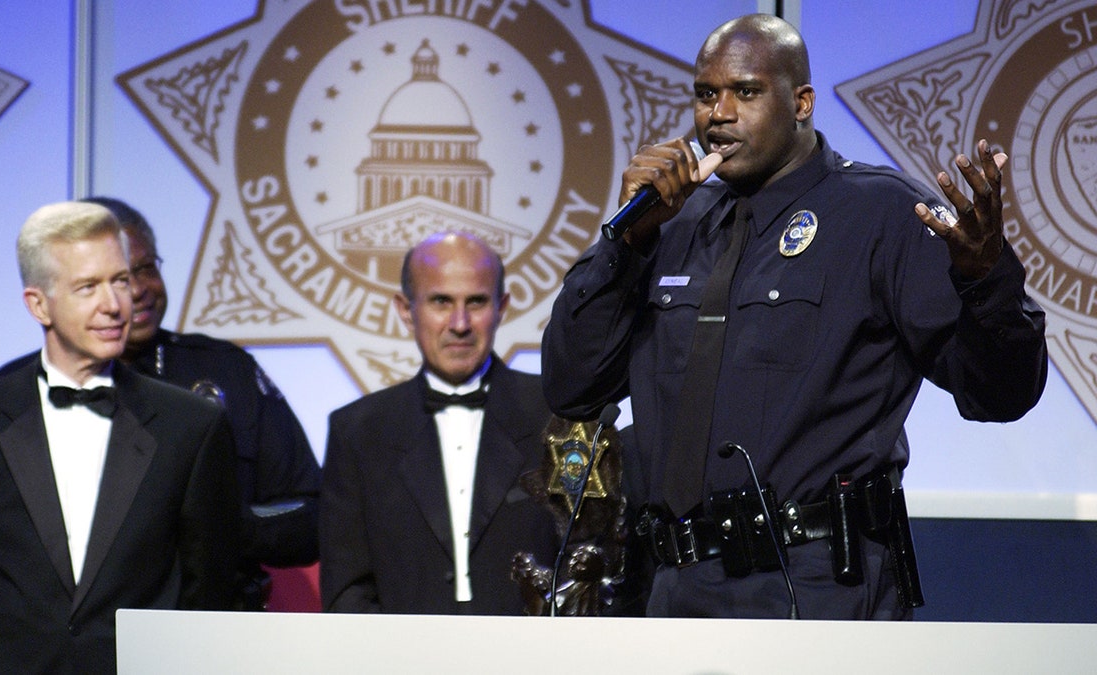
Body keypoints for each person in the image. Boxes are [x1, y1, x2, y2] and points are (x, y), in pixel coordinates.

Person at [541, 14, 1048, 620]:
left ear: (802, 101)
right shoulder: (669, 225)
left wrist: (985, 280)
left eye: (746, 92)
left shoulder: (882, 213)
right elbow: (573, 384)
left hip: (818, 584)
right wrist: (623, 247)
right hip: (674, 587)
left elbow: (1001, 393)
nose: (718, 113)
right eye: (706, 94)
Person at [0, 201, 240, 672]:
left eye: (121, 281)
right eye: (88, 287)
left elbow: (207, 586)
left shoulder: (190, 426)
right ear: (38, 304)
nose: (114, 305)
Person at [0, 196, 322, 611]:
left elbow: (310, 517)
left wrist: (215, 526)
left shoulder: (227, 372)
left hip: (213, 628)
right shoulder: (10, 394)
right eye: (101, 282)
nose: (130, 293)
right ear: (44, 300)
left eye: (144, 269)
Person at [319, 231, 559, 614]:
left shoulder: (555, 418)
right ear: (404, 308)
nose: (460, 323)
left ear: (502, 307)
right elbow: (347, 590)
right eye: (441, 302)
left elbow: (589, 570)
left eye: (476, 302)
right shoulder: (358, 432)